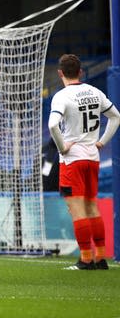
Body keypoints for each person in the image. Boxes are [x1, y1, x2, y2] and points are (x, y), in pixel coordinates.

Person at [48, 54, 120, 270]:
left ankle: (86, 259)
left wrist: (62, 147)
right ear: (81, 72)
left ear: (60, 73)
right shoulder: (94, 92)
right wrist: (102, 142)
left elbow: (53, 125)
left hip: (72, 161)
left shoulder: (62, 96)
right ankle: (100, 258)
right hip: (92, 157)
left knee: (77, 209)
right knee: (92, 207)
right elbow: (116, 116)